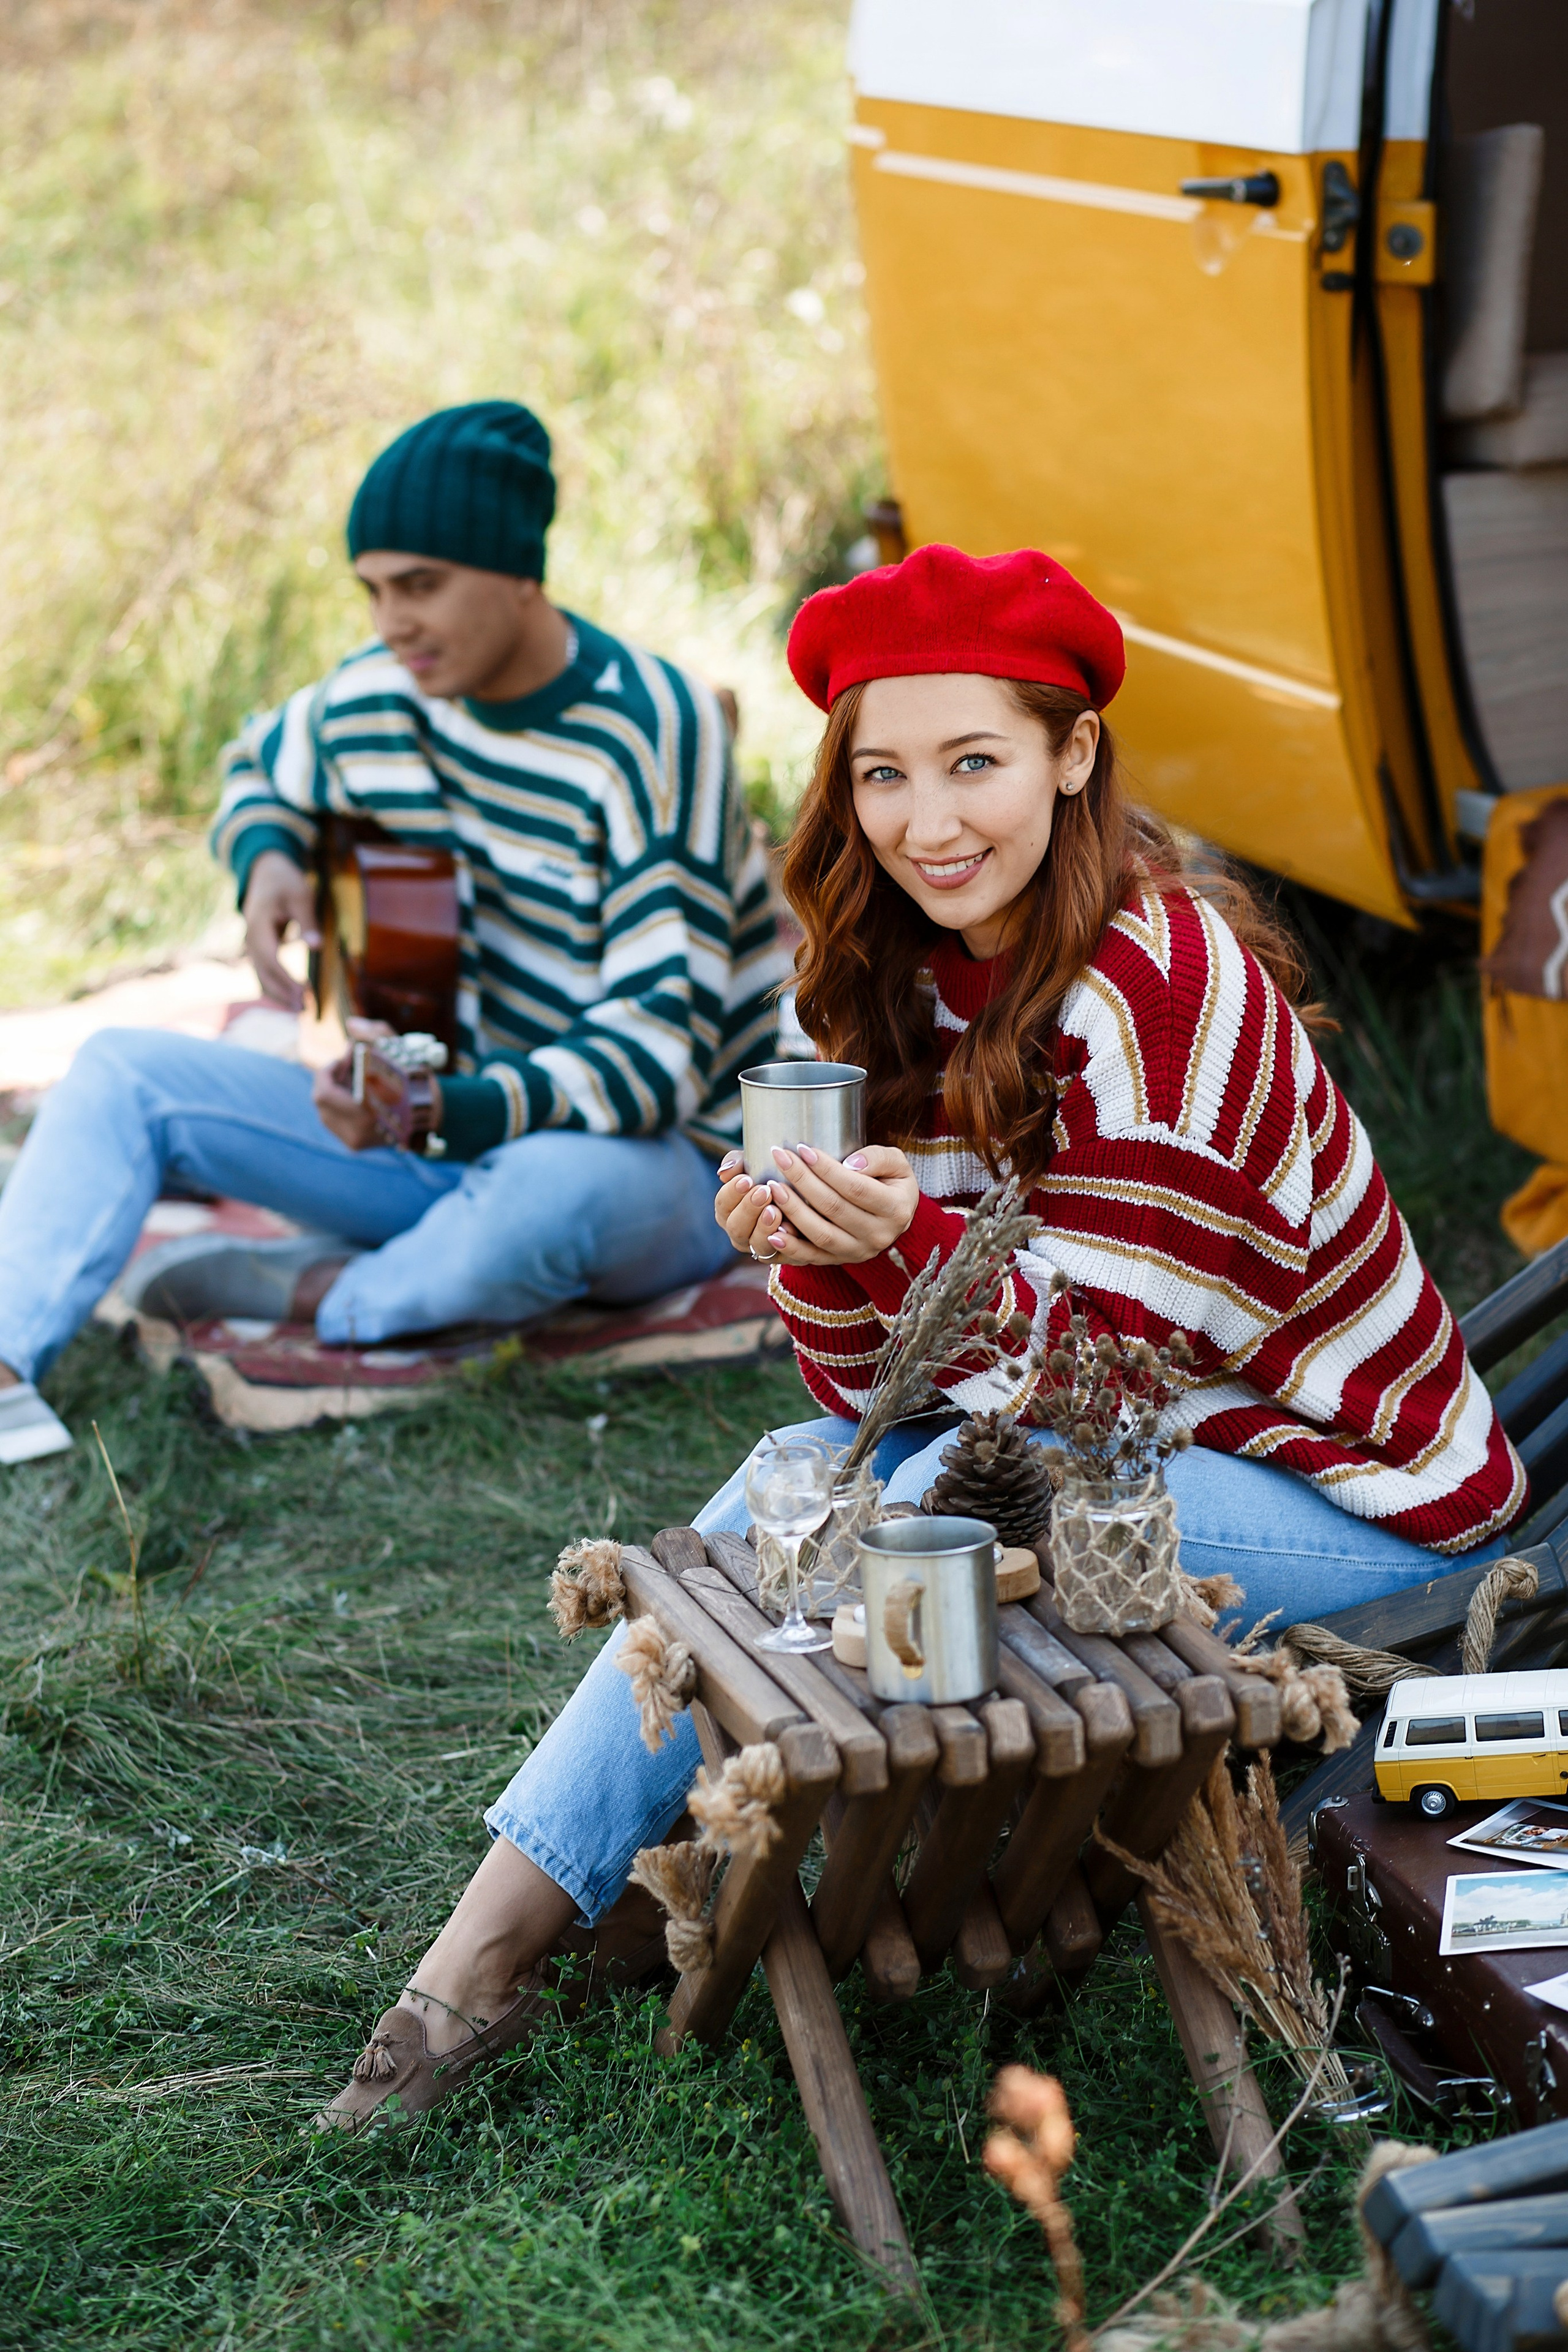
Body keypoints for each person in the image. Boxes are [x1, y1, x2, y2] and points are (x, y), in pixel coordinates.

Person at [318, 541, 1526, 2129]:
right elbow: (870, 1388)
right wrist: (815, 1259)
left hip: (1350, 1500)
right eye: (884, 774)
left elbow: (1100, 1396)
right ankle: (483, 1964)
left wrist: (912, 1247)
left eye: (976, 763)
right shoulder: (893, 988)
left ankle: (542, 1946)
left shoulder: (1162, 988)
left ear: (1071, 754)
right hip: (1079, 1444)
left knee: (859, 1506)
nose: (926, 821)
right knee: (806, 1473)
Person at [0, 402, 783, 1460]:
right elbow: (255, 764)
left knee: (546, 1200)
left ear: (518, 569)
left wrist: (437, 1109)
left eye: (420, 586)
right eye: (371, 589)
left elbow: (659, 1059)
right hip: (440, 1120)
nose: (390, 623)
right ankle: (7, 1367)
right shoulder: (376, 696)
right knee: (115, 1072)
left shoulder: (651, 724)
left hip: (661, 1161)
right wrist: (269, 857)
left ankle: (324, 1284)